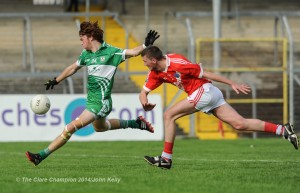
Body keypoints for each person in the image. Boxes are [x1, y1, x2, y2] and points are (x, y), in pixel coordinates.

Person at [139, 46, 299, 169]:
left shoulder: (178, 63)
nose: (144, 64)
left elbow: (206, 74)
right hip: (208, 94)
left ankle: (166, 159)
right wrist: (144, 101)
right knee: (240, 124)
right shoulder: (155, 72)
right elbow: (143, 92)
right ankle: (283, 130)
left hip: (205, 91)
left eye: (145, 61)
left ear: (153, 60)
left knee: (169, 115)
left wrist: (232, 83)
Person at [25, 21, 160, 166]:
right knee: (100, 127)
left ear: (90, 37)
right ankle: (136, 123)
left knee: (70, 127)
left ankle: (40, 156)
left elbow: (133, 52)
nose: (81, 43)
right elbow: (72, 68)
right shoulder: (86, 54)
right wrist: (56, 80)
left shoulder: (111, 52)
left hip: (101, 102)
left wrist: (145, 45)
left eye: (81, 39)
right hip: (92, 101)